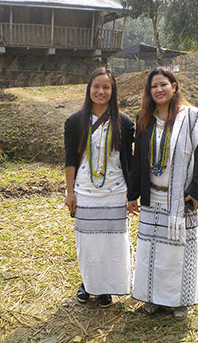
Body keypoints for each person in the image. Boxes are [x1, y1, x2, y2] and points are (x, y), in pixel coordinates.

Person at [127, 67, 198, 319]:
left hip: (180, 199)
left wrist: (196, 192)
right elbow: (137, 161)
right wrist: (132, 194)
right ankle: (153, 298)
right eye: (154, 86)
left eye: (163, 84)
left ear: (174, 86)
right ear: (149, 92)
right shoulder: (144, 120)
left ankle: (179, 301)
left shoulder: (193, 118)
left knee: (179, 253)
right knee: (152, 252)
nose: (159, 89)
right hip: (153, 197)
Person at [64, 67, 134, 308]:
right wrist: (70, 191)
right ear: (89, 89)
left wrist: (131, 193)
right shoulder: (74, 121)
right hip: (85, 191)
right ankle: (88, 283)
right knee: (88, 243)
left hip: (115, 191)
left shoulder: (124, 122)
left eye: (106, 87)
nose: (101, 91)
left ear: (112, 91)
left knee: (112, 243)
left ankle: (107, 288)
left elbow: (128, 159)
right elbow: (70, 159)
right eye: (96, 86)